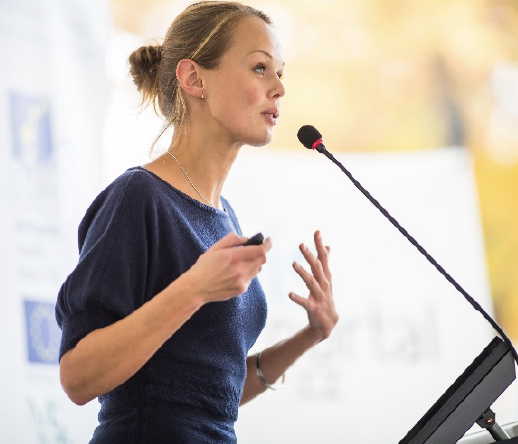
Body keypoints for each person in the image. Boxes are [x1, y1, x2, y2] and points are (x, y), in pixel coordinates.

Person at [55, 2, 339, 443]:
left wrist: (311, 335)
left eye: (281, 72)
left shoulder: (224, 216)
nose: (280, 87)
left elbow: (207, 398)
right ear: (193, 79)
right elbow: (77, 377)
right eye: (261, 68)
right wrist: (193, 289)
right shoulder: (139, 198)